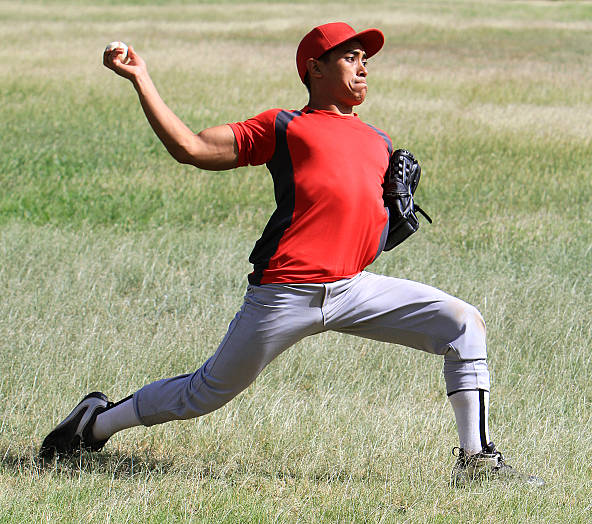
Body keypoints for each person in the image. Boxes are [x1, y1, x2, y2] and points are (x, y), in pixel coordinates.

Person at [39, 22, 542, 486]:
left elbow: (368, 231)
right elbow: (190, 148)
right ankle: (95, 422)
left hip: (353, 287)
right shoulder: (283, 127)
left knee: (463, 323)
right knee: (205, 393)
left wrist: (391, 223)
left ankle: (477, 461)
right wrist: (141, 78)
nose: (363, 66)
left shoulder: (378, 141)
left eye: (365, 57)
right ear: (315, 69)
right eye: (350, 56)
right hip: (284, 293)